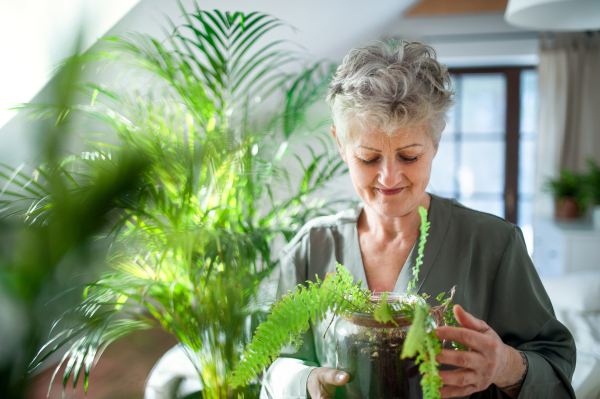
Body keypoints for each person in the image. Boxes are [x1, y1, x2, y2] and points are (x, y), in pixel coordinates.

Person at [259, 41, 576, 399]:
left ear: (436, 140)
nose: (389, 178)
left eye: (409, 156)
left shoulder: (493, 244)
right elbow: (272, 366)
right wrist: (306, 381)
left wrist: (504, 366)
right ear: (341, 145)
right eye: (369, 158)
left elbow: (556, 369)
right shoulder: (311, 248)